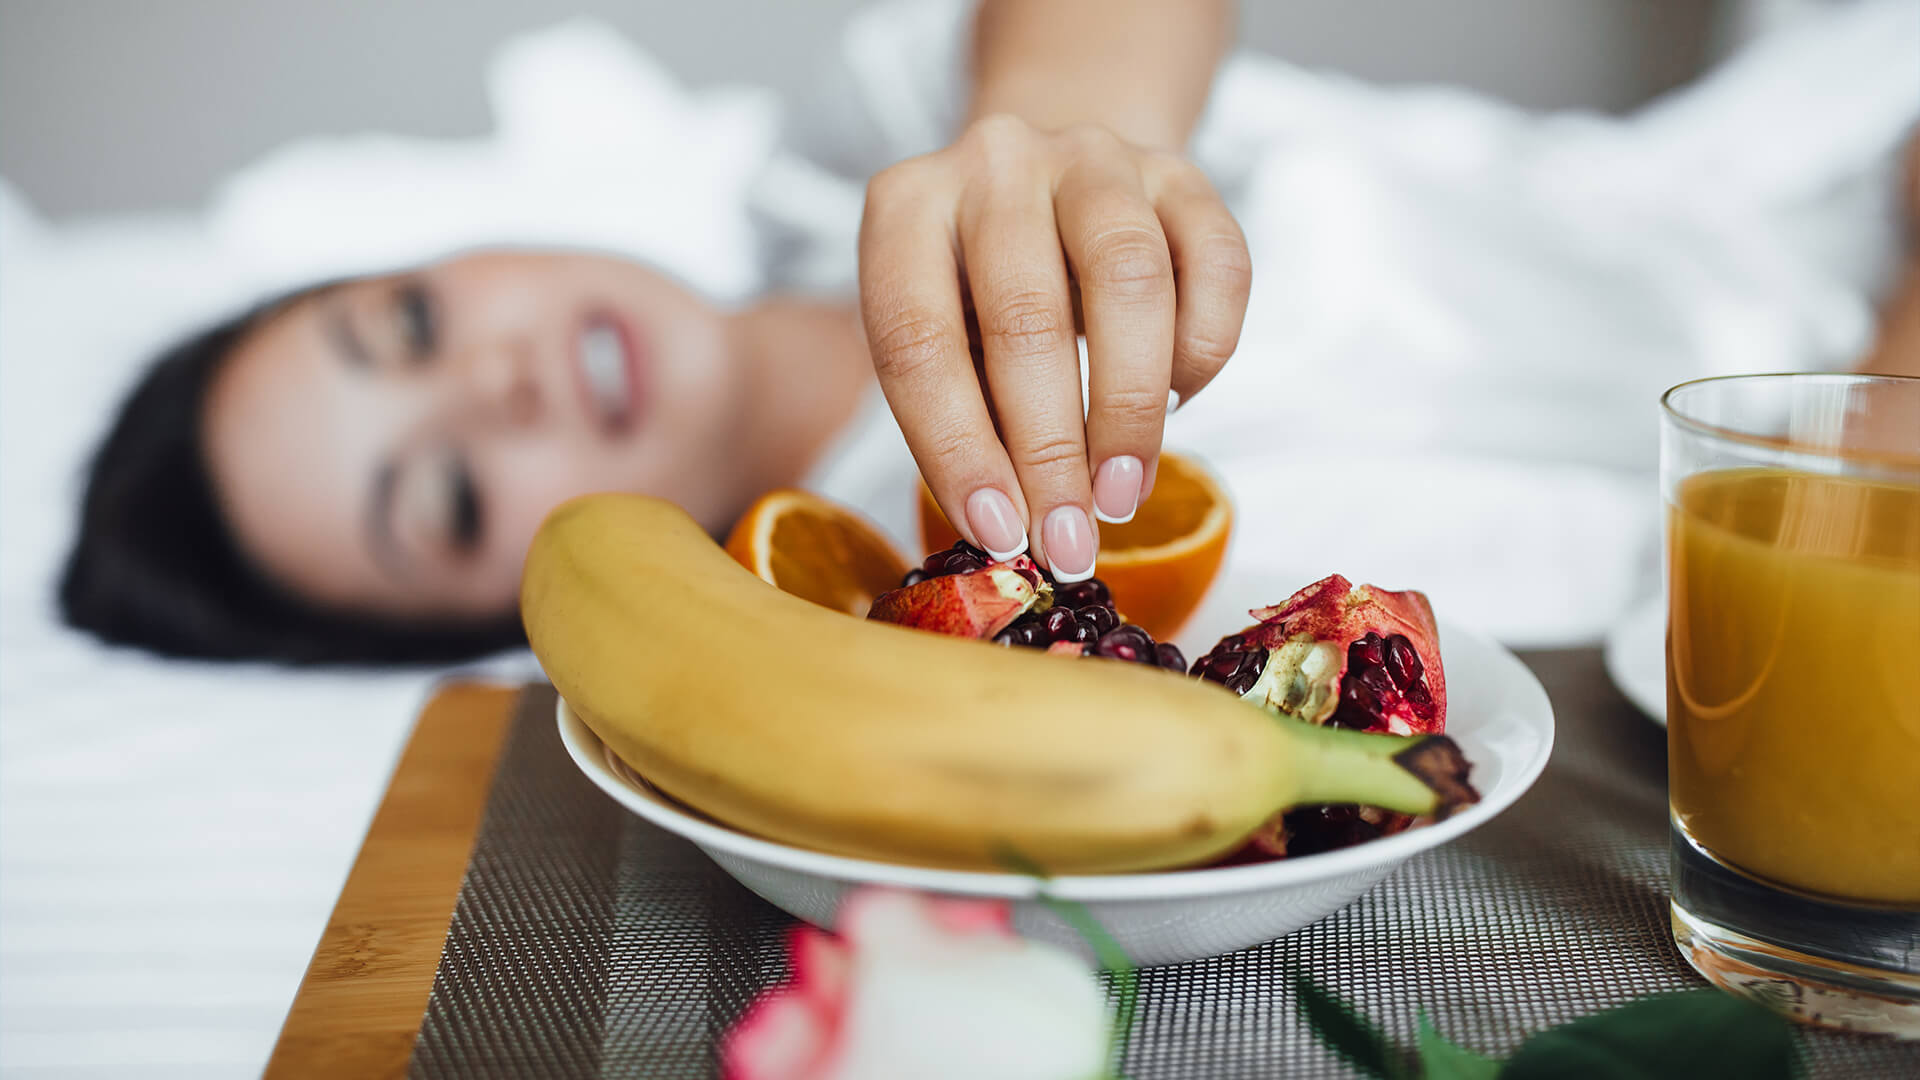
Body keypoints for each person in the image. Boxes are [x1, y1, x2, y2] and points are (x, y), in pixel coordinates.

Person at [58, 0, 1253, 664]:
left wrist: (1066, 146)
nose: (495, 382)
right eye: (455, 499)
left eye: (413, 324)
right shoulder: (926, 626)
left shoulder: (838, 166)